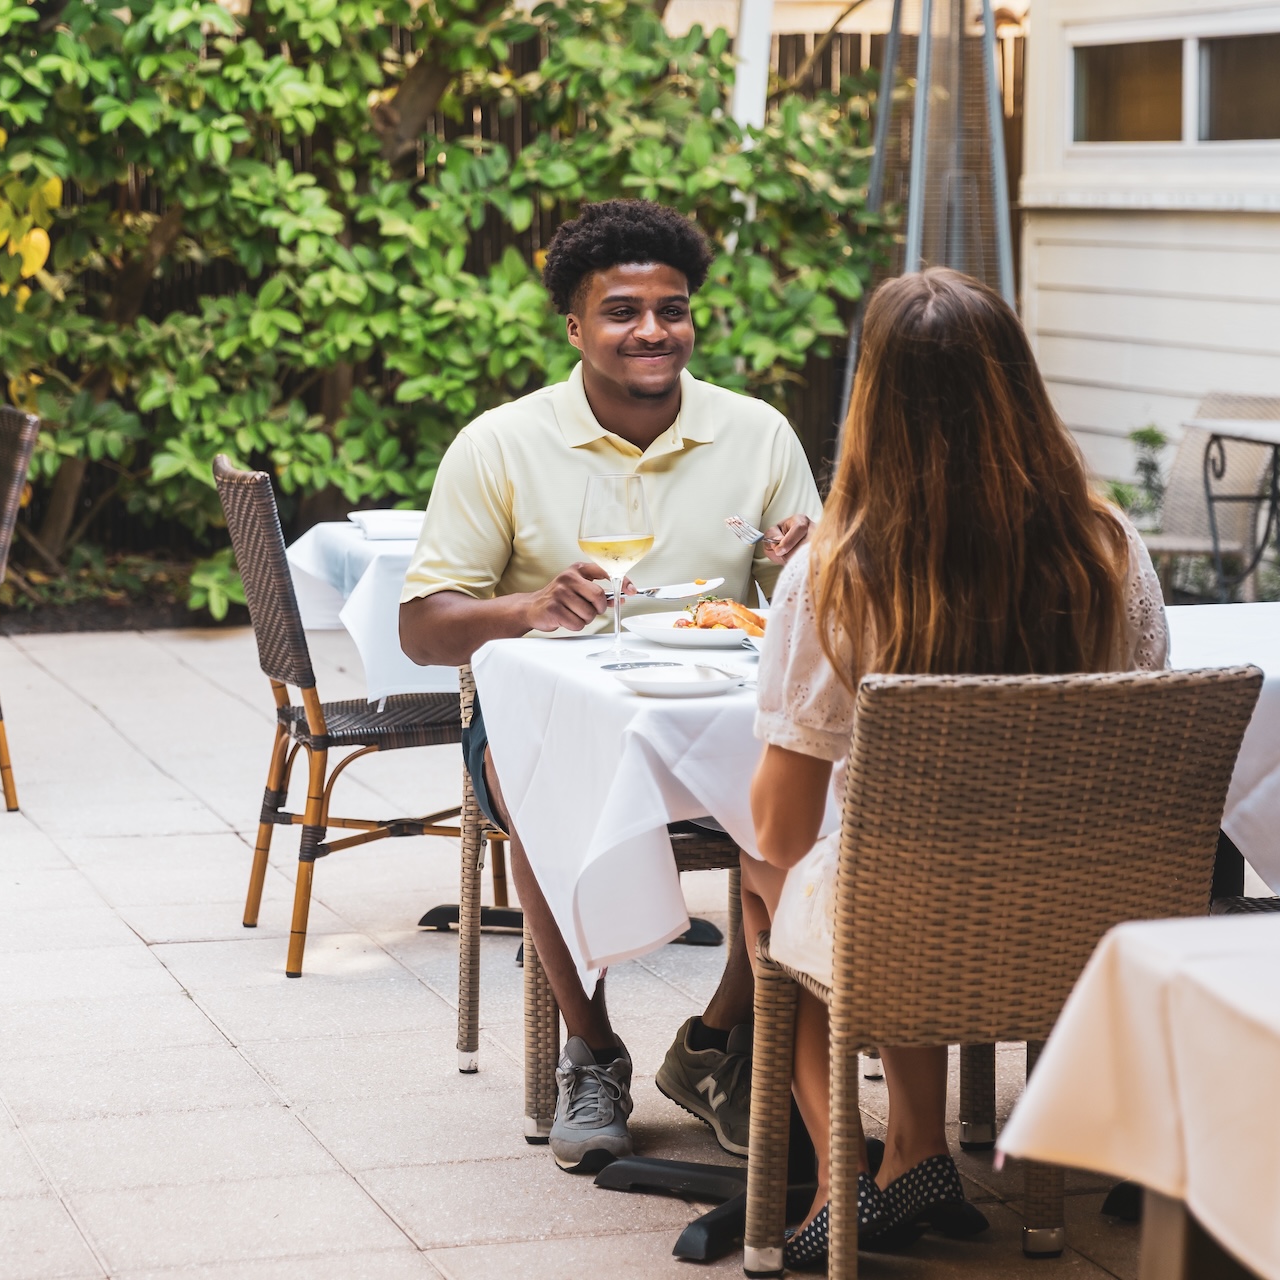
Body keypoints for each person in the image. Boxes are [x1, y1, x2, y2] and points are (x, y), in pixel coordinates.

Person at [741, 268, 1170, 1268]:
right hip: (1088, 911)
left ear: (872, 400)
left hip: (906, 921)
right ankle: (924, 1151)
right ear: (1021, 389)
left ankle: (856, 1161)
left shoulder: (836, 572)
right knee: (880, 867)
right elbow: (1143, 712)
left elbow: (784, 829)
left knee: (769, 875)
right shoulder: (1110, 544)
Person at [398, 200, 822, 1173]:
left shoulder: (756, 435)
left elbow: (818, 615)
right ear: (575, 327)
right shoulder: (501, 445)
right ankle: (590, 1047)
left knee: (823, 775)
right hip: (543, 716)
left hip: (722, 716)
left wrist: (809, 564)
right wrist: (526, 605)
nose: (651, 330)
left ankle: (717, 1040)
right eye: (622, 310)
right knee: (523, 769)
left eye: (671, 309)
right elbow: (421, 626)